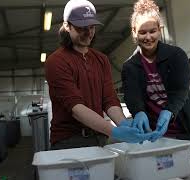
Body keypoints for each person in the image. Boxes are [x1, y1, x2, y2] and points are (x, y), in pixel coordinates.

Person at [45, 0, 151, 150]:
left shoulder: (101, 59)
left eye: (92, 27)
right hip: (69, 141)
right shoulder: (56, 61)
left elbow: (109, 99)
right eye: (82, 28)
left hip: (99, 137)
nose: (89, 33)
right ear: (67, 26)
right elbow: (75, 108)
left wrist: (124, 124)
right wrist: (115, 131)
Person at [122, 0, 190, 142]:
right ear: (134, 32)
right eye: (143, 32)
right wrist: (138, 112)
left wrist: (169, 111)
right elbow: (133, 96)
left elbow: (181, 90)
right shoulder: (129, 67)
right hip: (155, 133)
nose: (148, 37)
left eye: (152, 31)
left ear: (160, 29)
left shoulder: (176, 55)